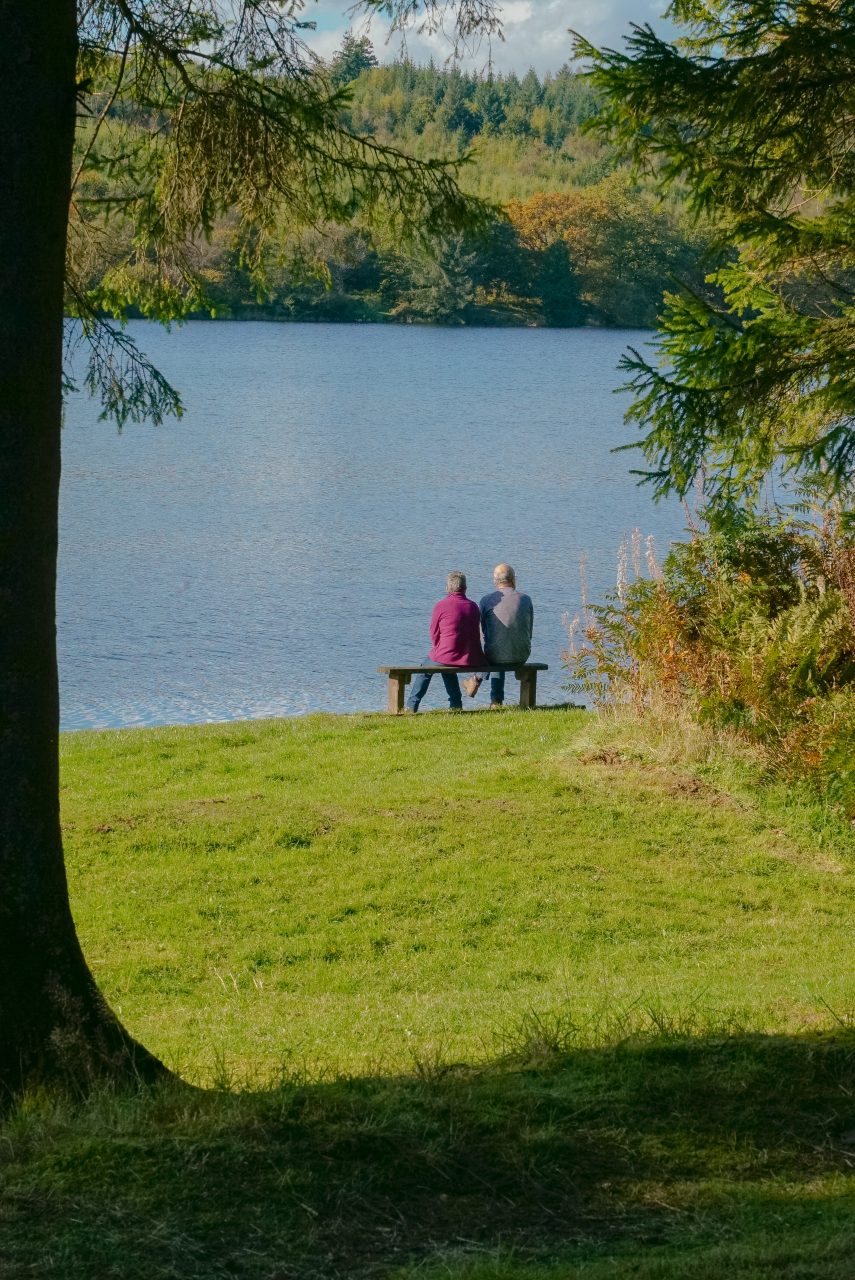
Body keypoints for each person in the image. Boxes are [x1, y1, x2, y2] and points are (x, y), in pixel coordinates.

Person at [405, 570, 485, 713]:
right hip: (470, 657)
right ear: (465, 588)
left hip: (449, 655)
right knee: (447, 664)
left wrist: (438, 648)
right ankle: (456, 705)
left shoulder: (441, 606)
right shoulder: (473, 607)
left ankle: (411, 706)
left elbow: (434, 634)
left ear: (447, 588)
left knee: (425, 669)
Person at [462, 563, 533, 707]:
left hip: (494, 656)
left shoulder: (486, 600)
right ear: (514, 579)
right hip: (522, 655)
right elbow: (529, 630)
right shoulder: (526, 599)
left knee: (494, 651)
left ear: (495, 581)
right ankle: (493, 698)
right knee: (500, 646)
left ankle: (487, 691)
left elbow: (482, 632)